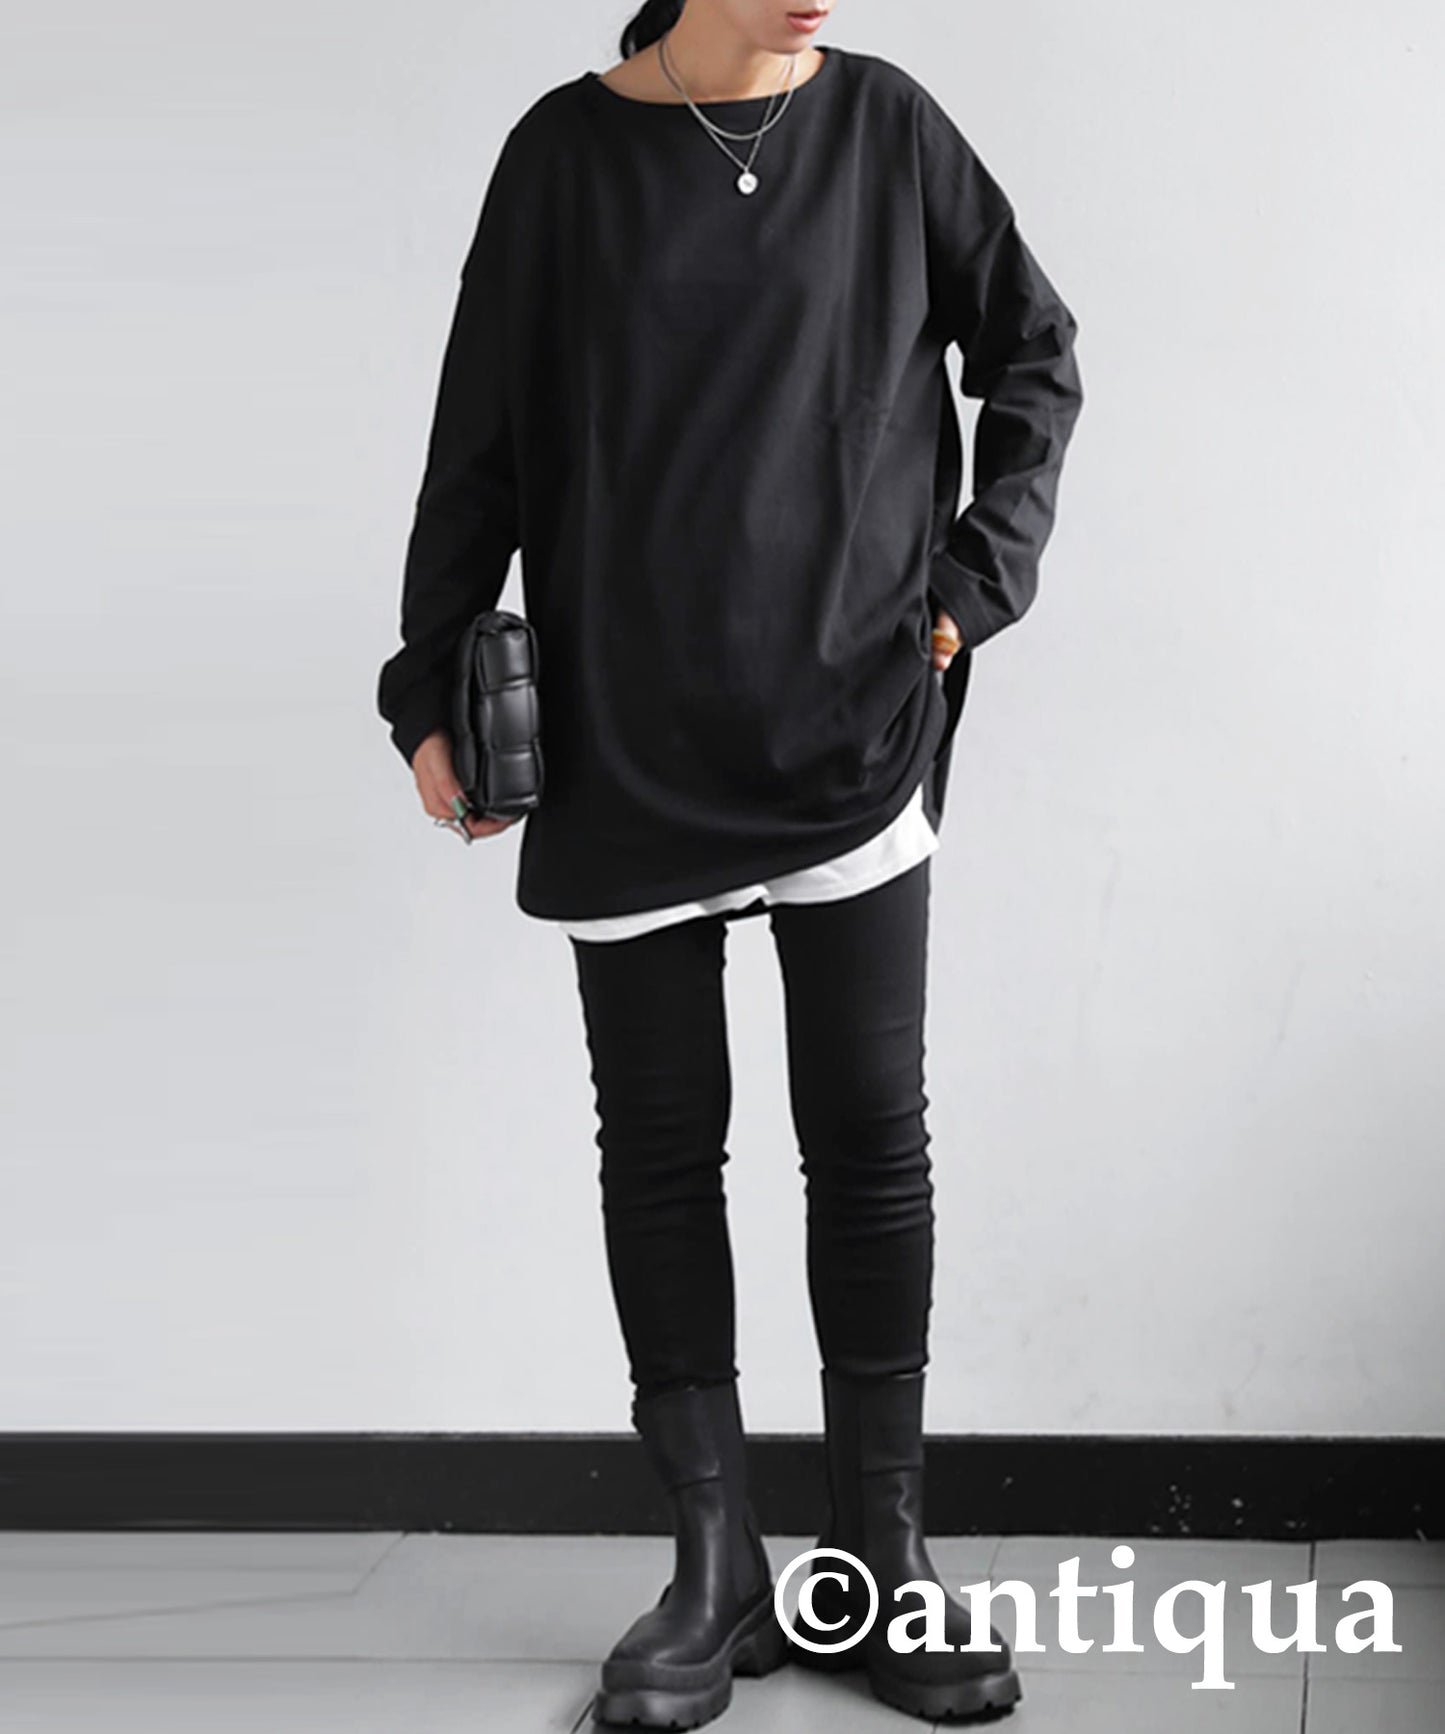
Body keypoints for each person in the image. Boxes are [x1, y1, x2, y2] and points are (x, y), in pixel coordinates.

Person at [376, 2, 1083, 1726]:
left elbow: (1035, 353)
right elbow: (477, 441)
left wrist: (967, 587)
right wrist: (425, 684)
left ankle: (875, 1563)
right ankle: (715, 1566)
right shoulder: (560, 157)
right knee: (659, 1150)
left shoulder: (890, 129)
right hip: (622, 733)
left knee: (869, 1142)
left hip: (853, 727)